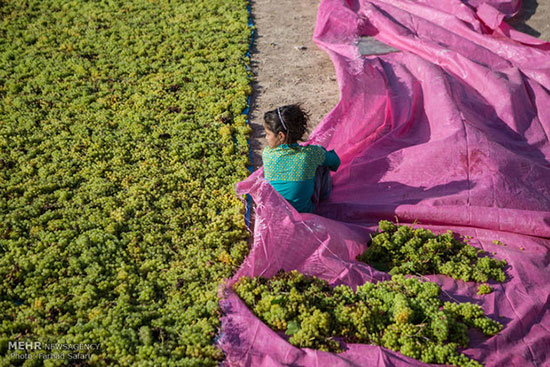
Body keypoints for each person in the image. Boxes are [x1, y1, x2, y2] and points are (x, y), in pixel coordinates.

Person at [262, 104, 340, 213]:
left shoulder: (267, 153)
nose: (266, 138)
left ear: (281, 136)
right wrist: (321, 153)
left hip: (277, 212)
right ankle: (324, 196)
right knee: (321, 160)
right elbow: (336, 162)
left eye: (267, 134)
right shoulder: (311, 154)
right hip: (306, 212)